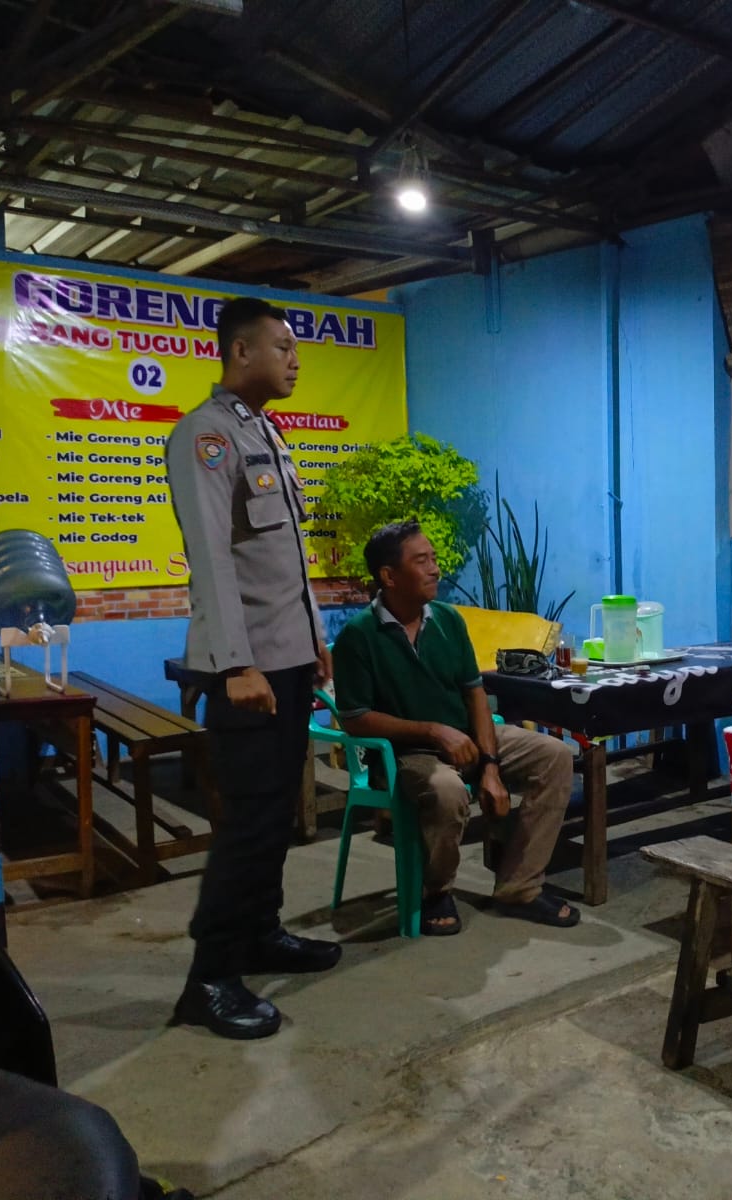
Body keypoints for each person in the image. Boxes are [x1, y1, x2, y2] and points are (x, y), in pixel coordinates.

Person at [164, 297, 339, 1041]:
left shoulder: (263, 431)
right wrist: (236, 664)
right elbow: (211, 558)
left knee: (276, 817)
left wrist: (315, 640)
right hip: (248, 671)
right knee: (247, 822)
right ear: (241, 352)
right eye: (283, 347)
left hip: (288, 661)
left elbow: (283, 558)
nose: (295, 360)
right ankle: (208, 978)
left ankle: (261, 934)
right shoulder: (204, 436)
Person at [330, 520, 578, 935]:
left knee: (553, 756)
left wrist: (490, 765)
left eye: (434, 559)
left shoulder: (447, 620)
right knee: (446, 790)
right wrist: (432, 731)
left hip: (466, 737)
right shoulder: (359, 637)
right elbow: (355, 718)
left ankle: (519, 886)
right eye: (421, 561)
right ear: (388, 576)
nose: (435, 569)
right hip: (404, 754)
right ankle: (436, 891)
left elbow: (474, 693)